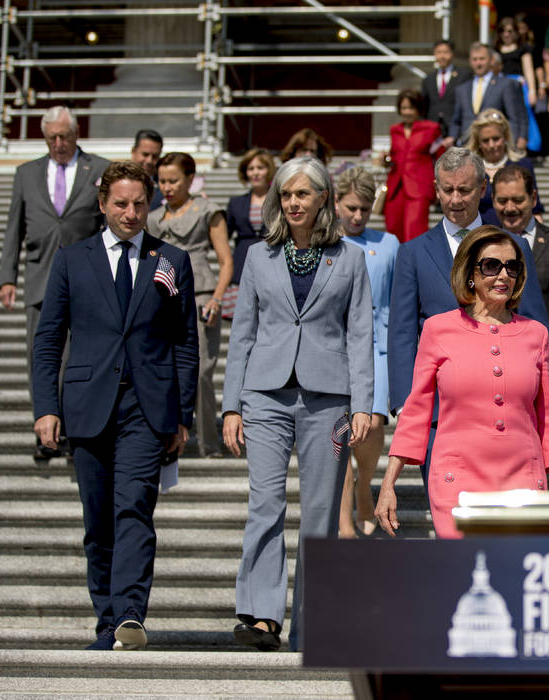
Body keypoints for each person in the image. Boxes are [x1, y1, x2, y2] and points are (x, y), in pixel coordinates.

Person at [32, 160, 198, 651]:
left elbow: (184, 342)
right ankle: (106, 622)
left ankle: (129, 614)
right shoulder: (71, 259)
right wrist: (46, 406)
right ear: (102, 204)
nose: (131, 212)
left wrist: (182, 414)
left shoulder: (171, 260)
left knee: (134, 511)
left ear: (152, 205)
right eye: (121, 203)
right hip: (86, 404)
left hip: (146, 409)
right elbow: (47, 341)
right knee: (98, 520)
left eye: (140, 203)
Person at [222, 156, 373, 652]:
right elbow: (242, 334)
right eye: (286, 195)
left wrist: (363, 404)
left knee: (320, 512)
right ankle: (262, 615)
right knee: (264, 503)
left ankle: (314, 624)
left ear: (323, 198)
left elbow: (360, 334)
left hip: (327, 399)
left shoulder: (349, 257)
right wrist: (231, 406)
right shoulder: (258, 256)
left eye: (303, 194)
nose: (293, 203)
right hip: (264, 393)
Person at [376, 226, 549, 539]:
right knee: (462, 579)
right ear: (470, 275)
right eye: (491, 266)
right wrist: (388, 484)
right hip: (457, 482)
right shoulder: (438, 330)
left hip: (524, 481)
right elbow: (417, 410)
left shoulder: (536, 334)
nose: (503, 275)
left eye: (512, 267)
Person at [387, 148, 549, 490]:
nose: (455, 199)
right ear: (435, 188)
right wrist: (404, 403)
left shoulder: (514, 248)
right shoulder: (412, 253)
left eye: (464, 189)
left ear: (482, 189)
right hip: (439, 415)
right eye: (447, 190)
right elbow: (401, 332)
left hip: (507, 415)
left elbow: (535, 324)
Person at [0, 105, 110, 460]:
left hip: (86, 279)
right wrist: (7, 277)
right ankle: (45, 428)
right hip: (40, 275)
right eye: (52, 138)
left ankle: (74, 428)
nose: (59, 144)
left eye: (65, 137)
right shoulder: (26, 173)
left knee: (79, 357)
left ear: (77, 135)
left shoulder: (100, 169)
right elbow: (13, 228)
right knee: (41, 355)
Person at [147, 152, 233, 458]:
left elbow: (226, 261)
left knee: (200, 371)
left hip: (199, 293)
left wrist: (217, 297)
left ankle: (208, 440)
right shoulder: (152, 217)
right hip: (159, 296)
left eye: (174, 180)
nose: (167, 187)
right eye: (162, 181)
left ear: (190, 179)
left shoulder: (208, 210)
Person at [333, 167, 399, 538]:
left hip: (378, 348)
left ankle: (364, 484)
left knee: (371, 424)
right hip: (333, 348)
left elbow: (395, 301)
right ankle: (345, 519)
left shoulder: (388, 243)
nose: (358, 216)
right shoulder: (324, 243)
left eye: (365, 209)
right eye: (351, 208)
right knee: (338, 431)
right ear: (337, 203)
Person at [491, 164, 549, 406]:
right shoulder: (483, 247)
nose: (510, 208)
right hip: (495, 359)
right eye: (502, 200)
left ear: (533, 198)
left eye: (518, 199)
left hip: (548, 358)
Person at [466, 109, 544, 224]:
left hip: (516, 235)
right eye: (485, 141)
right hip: (478, 235)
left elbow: (535, 210)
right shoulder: (469, 168)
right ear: (478, 142)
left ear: (505, 137)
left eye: (496, 139)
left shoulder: (523, 165)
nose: (492, 145)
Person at [385, 88, 443, 243]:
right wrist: (386, 159)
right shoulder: (394, 130)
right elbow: (394, 154)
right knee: (393, 230)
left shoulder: (431, 129)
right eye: (403, 108)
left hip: (419, 187)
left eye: (411, 108)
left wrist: (441, 185)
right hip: (396, 187)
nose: (407, 112)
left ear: (418, 109)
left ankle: (416, 266)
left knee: (415, 231)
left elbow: (441, 158)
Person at [449, 42, 529, 151]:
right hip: (468, 147)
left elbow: (516, 116)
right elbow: (456, 120)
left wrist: (520, 138)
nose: (478, 63)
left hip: (496, 147)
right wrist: (452, 137)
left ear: (491, 60)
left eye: (482, 59)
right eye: (475, 59)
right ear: (470, 61)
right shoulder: (461, 89)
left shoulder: (506, 85)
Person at [226, 148, 277, 315]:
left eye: (260, 168)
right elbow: (224, 234)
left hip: (272, 260)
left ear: (269, 170)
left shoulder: (279, 201)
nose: (255, 173)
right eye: (251, 168)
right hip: (242, 262)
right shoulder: (236, 202)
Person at [494, 16, 542, 153]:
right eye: (503, 31)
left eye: (510, 31)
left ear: (516, 32)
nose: (506, 34)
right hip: (501, 85)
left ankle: (527, 143)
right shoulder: (496, 49)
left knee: (524, 114)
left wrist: (532, 91)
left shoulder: (523, 48)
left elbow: (528, 70)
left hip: (519, 86)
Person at [421, 39, 470, 141]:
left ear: (452, 54)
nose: (442, 56)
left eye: (446, 52)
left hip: (456, 131)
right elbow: (424, 106)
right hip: (433, 131)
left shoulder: (464, 76)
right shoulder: (428, 79)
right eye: (439, 52)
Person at [129, 129, 164, 210]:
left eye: (155, 156)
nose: (149, 161)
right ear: (133, 151)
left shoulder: (163, 186)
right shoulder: (117, 180)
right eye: (145, 154)